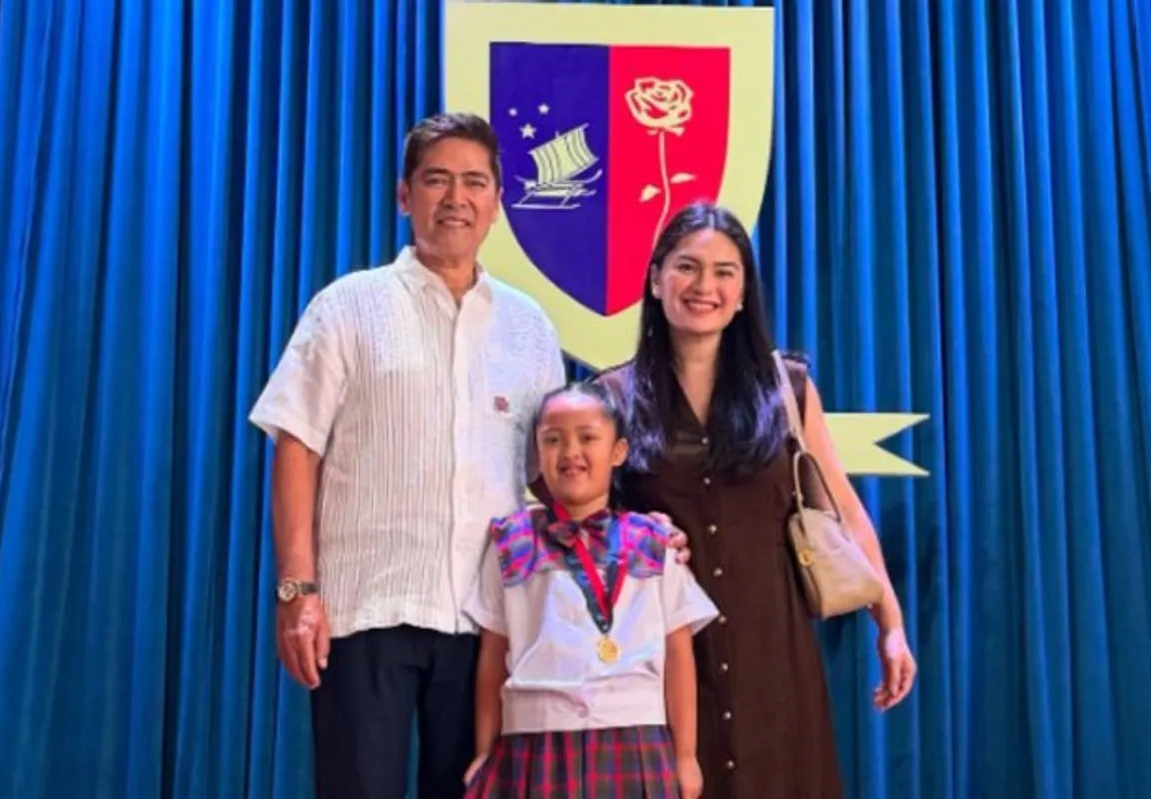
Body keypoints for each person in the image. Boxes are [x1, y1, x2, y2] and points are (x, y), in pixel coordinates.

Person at [247, 112, 569, 798]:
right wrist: (297, 591)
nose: (456, 198)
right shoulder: (348, 307)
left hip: (487, 621)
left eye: (475, 182)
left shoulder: (529, 327)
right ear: (404, 195)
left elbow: (552, 477)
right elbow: (296, 443)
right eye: (437, 180)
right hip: (366, 609)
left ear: (497, 200)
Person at [591, 200, 918, 798]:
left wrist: (890, 625)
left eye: (725, 271)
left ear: (743, 292)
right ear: (656, 278)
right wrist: (633, 535)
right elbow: (578, 531)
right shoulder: (610, 398)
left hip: (775, 655)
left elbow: (843, 510)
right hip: (662, 669)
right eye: (687, 267)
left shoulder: (785, 388)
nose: (704, 286)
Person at [462, 383, 719, 798]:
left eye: (587, 437)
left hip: (636, 738)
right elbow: (493, 655)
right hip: (533, 739)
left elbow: (678, 652)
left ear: (618, 451)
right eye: (552, 439)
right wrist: (483, 749)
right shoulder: (511, 541)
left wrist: (686, 754)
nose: (570, 453)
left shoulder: (654, 540)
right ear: (536, 452)